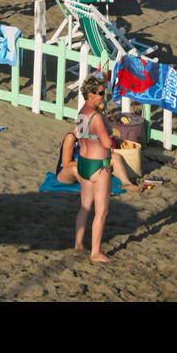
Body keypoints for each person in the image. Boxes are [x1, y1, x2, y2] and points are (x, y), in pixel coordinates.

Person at [73, 75, 116, 262]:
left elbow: (85, 135)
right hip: (99, 166)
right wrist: (113, 135)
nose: (103, 96)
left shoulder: (82, 112)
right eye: (99, 93)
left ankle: (78, 245)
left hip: (84, 162)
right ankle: (95, 253)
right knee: (101, 212)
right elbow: (107, 143)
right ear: (90, 94)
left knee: (84, 207)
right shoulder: (96, 117)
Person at [56, 127, 141, 193]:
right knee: (76, 169)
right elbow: (66, 164)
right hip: (66, 174)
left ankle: (127, 183)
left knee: (115, 157)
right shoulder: (71, 138)